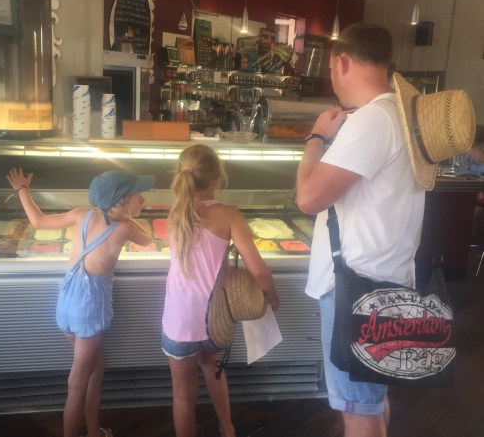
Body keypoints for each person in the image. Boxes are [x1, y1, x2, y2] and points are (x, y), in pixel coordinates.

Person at [296, 22, 426, 437]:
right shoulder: (400, 115)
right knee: (371, 400)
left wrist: (317, 136)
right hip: (382, 282)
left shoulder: (372, 120)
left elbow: (308, 198)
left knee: (359, 410)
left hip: (357, 290)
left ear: (342, 62)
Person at [7, 168, 155, 437]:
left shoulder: (81, 214)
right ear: (122, 202)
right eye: (138, 196)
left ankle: (94, 431)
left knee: (96, 368)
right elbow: (149, 241)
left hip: (66, 303)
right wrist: (131, 216)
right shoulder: (126, 227)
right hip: (90, 308)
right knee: (78, 383)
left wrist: (22, 190)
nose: (143, 198)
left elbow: (38, 221)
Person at [161, 144, 280, 437]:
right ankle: (227, 428)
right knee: (213, 365)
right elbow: (258, 270)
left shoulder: (176, 213)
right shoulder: (229, 215)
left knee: (183, 396)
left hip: (179, 320)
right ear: (216, 179)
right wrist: (272, 298)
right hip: (214, 317)